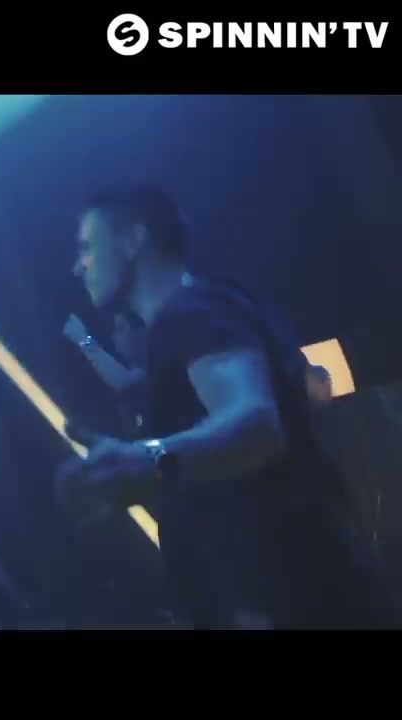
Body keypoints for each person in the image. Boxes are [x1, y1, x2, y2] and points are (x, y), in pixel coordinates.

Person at [56, 184, 400, 629]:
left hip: (303, 597)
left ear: (133, 240)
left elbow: (258, 424)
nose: (78, 265)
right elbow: (305, 397)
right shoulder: (212, 307)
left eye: (87, 246)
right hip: (305, 586)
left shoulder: (191, 314)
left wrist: (151, 461)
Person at [64, 309, 148, 436]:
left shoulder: (156, 368)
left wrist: (82, 338)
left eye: (121, 329)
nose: (115, 337)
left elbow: (122, 381)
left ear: (141, 331)